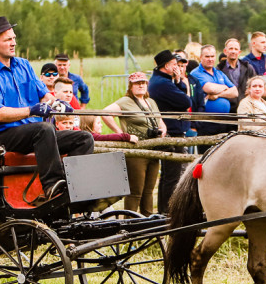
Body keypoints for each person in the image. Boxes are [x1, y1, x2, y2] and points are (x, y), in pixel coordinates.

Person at [0, 16, 94, 202]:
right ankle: (53, 186)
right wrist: (31, 110)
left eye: (14, 38)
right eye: (8, 40)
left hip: (35, 134)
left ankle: (75, 188)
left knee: (84, 138)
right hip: (4, 136)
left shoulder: (23, 65)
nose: (13, 43)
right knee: (44, 129)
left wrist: (57, 104)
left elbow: (44, 95)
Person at [101, 72, 166, 215]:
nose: (141, 85)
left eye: (143, 83)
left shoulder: (151, 102)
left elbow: (160, 120)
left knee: (148, 190)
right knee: (135, 192)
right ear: (131, 86)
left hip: (153, 149)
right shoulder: (125, 101)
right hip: (136, 151)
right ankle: (130, 223)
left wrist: (162, 130)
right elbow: (105, 113)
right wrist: (121, 134)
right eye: (137, 83)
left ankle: (147, 223)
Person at [148, 49, 192, 213]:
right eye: (174, 64)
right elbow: (185, 101)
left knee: (170, 175)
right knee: (171, 176)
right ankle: (167, 211)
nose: (177, 67)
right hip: (171, 132)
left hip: (174, 130)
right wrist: (180, 83)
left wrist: (179, 80)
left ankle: (165, 209)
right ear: (166, 66)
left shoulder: (166, 81)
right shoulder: (162, 84)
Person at [190, 44, 237, 138]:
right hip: (206, 122)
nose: (210, 59)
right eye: (207, 56)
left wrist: (218, 95)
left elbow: (235, 92)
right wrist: (225, 87)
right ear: (200, 57)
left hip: (223, 121)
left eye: (212, 56)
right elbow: (209, 88)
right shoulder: (196, 73)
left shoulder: (219, 73)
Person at [217, 38, 255, 110]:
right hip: (228, 109)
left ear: (239, 52)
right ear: (225, 51)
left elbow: (255, 83)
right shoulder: (219, 70)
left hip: (246, 108)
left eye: (236, 49)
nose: (233, 51)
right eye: (231, 49)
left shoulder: (248, 68)